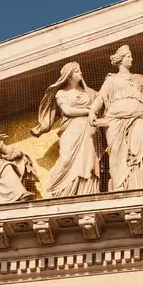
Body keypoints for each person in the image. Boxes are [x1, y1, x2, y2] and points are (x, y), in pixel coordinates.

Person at [90, 45, 143, 191]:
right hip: (115, 121)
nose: (132, 59)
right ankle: (119, 186)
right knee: (117, 153)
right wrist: (92, 111)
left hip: (137, 118)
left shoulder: (139, 79)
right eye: (128, 56)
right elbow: (100, 98)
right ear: (120, 59)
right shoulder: (111, 80)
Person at [32, 62, 102, 197]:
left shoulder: (90, 93)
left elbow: (103, 99)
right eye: (77, 71)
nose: (81, 73)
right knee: (66, 159)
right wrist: (89, 111)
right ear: (69, 75)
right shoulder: (61, 93)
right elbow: (67, 110)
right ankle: (58, 190)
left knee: (88, 163)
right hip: (71, 128)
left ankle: (87, 191)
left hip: (89, 130)